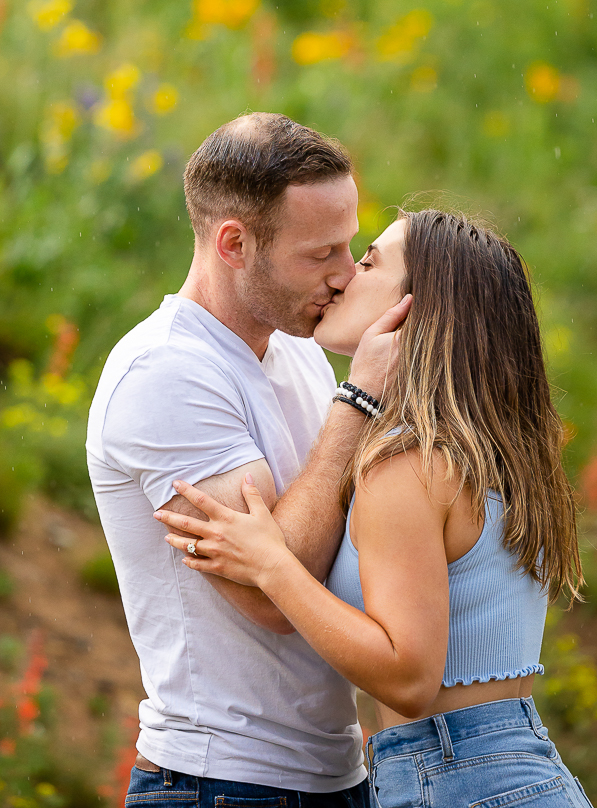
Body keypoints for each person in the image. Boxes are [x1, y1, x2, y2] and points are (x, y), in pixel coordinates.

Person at [156, 210, 590, 807]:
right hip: (507, 769)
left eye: (367, 263)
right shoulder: (482, 449)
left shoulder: (408, 465)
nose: (342, 277)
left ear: (417, 308)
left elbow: (409, 679)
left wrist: (272, 567)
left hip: (457, 776)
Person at [86, 113, 410, 808]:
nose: (344, 274)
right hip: (222, 782)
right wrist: (358, 402)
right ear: (234, 243)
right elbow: (269, 596)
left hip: (332, 775)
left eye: (349, 246)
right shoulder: (165, 372)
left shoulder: (297, 350)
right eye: (318, 253)